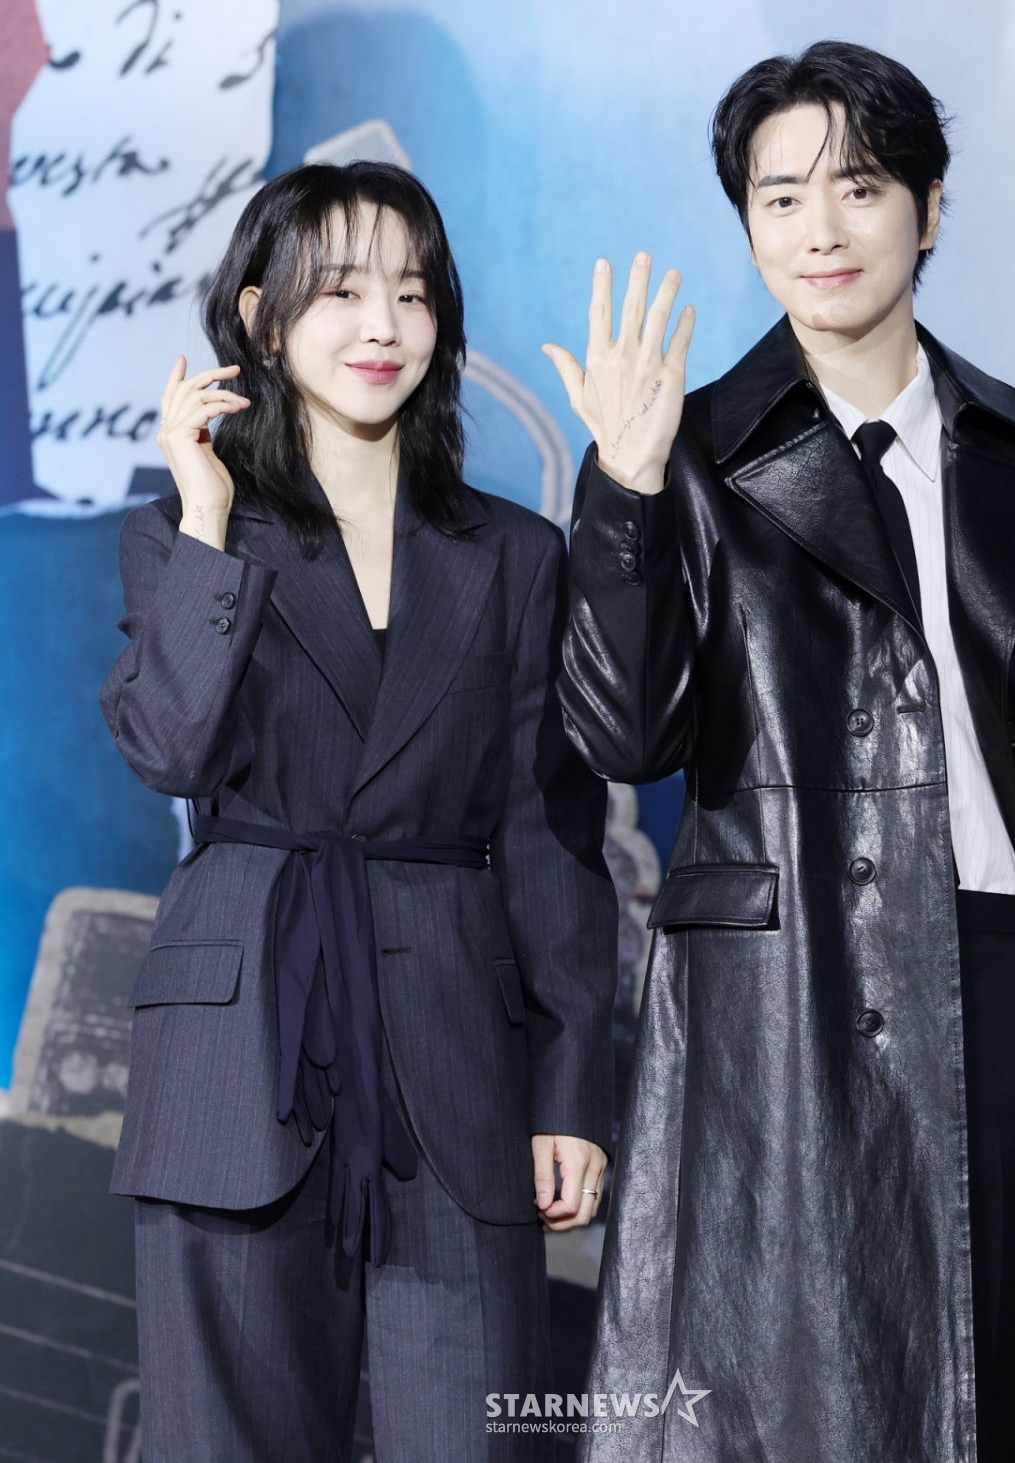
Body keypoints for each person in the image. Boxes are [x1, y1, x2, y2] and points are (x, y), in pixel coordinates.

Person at [544, 41, 1015, 1463]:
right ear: (748, 226)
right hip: (768, 1003)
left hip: (1001, 987)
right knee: (785, 1415)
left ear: (930, 208)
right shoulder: (679, 451)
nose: (820, 231)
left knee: (987, 1407)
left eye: (860, 187)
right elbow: (624, 736)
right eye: (780, 199)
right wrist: (628, 497)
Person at [101, 160, 616, 1463]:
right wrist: (209, 522)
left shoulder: (516, 555)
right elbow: (168, 750)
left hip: (456, 1066)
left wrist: (570, 1090)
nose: (383, 324)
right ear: (262, 315)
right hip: (236, 1064)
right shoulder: (182, 537)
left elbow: (551, 837)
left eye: (413, 292)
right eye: (340, 290)